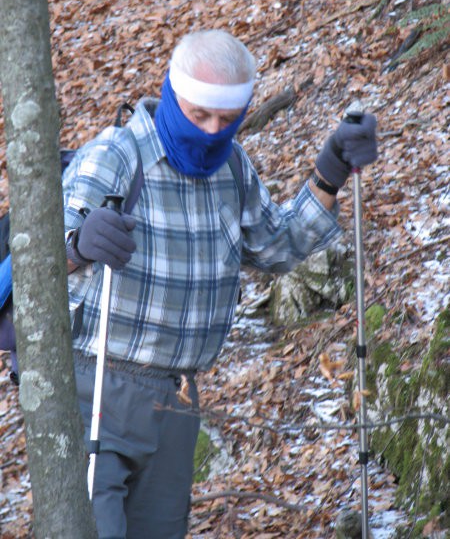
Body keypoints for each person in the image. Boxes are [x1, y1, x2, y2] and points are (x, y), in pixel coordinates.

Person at [63, 29, 377, 538]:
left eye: (227, 120)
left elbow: (275, 245)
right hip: (97, 386)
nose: (212, 131)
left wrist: (330, 170)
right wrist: (78, 244)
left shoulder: (231, 167)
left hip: (179, 399)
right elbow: (44, 260)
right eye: (199, 115)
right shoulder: (117, 156)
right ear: (172, 94)